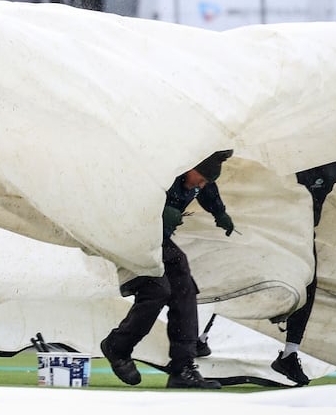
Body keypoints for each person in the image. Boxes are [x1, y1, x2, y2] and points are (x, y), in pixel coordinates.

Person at [101, 150, 236, 389]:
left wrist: (220, 212)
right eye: (201, 178)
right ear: (188, 166)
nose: (201, 184)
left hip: (158, 241)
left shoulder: (199, 179)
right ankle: (118, 347)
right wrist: (157, 211)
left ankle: (182, 368)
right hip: (132, 236)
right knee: (157, 290)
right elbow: (127, 190)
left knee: (184, 289)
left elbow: (207, 190)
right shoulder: (163, 171)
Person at [271, 158, 336, 386]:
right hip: (265, 229)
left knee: (307, 288)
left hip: (302, 233)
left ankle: (289, 355)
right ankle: (200, 339)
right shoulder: (284, 153)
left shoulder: (334, 161)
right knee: (236, 277)